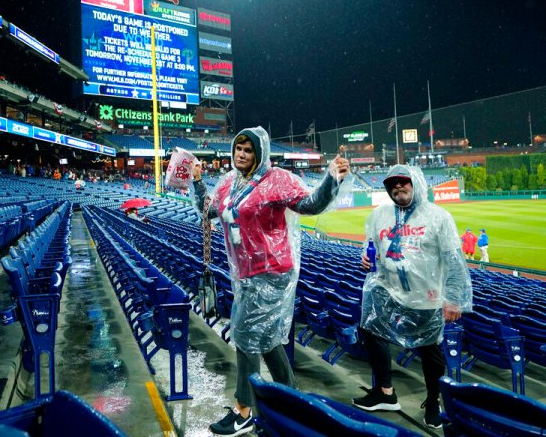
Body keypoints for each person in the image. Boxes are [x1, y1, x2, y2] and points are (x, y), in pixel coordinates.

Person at [191, 126, 351, 437]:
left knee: (247, 336)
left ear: (260, 153)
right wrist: (198, 182)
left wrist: (332, 179)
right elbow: (208, 211)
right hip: (247, 274)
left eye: (248, 150)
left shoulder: (277, 179)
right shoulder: (229, 184)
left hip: (273, 272)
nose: (241, 154)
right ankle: (292, 398)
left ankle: (244, 410)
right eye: (238, 148)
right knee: (266, 339)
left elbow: (309, 204)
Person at [353, 164, 473, 429]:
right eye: (392, 183)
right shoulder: (379, 215)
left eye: (403, 181)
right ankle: (385, 393)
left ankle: (433, 399)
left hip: (425, 297)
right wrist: (364, 257)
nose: (398, 186)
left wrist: (453, 298)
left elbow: (454, 262)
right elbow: (370, 245)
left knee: (430, 351)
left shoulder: (438, 216)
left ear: (415, 183)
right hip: (387, 291)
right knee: (371, 330)